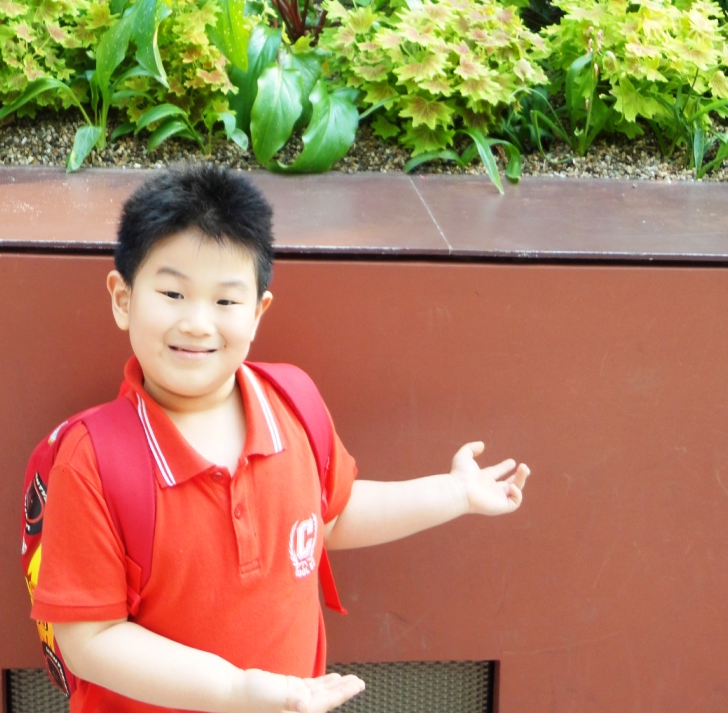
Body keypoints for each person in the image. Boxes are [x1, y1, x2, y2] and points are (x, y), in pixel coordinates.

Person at [31, 164, 530, 713]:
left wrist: (454, 493)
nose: (197, 323)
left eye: (225, 301)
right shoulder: (93, 459)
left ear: (257, 312)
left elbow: (330, 516)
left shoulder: (293, 403)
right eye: (172, 293)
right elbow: (90, 640)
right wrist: (237, 691)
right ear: (123, 299)